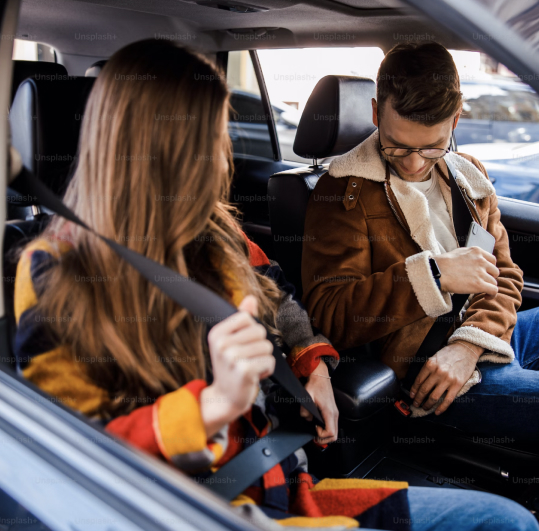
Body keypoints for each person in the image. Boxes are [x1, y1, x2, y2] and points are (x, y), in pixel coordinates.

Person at [13, 39, 538, 531]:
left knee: (510, 520)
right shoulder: (55, 272)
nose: (224, 159)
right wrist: (210, 407)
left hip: (289, 480)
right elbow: (62, 461)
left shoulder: (214, 230)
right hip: (221, 507)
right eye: (211, 140)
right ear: (154, 150)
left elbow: (280, 294)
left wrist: (313, 362)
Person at [302, 41, 539, 439]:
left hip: (478, 340)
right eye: (397, 145)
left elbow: (505, 275)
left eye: (431, 147)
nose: (413, 163)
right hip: (423, 371)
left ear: (456, 120)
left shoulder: (469, 177)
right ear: (377, 113)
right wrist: (434, 275)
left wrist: (469, 345)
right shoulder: (342, 193)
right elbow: (331, 315)